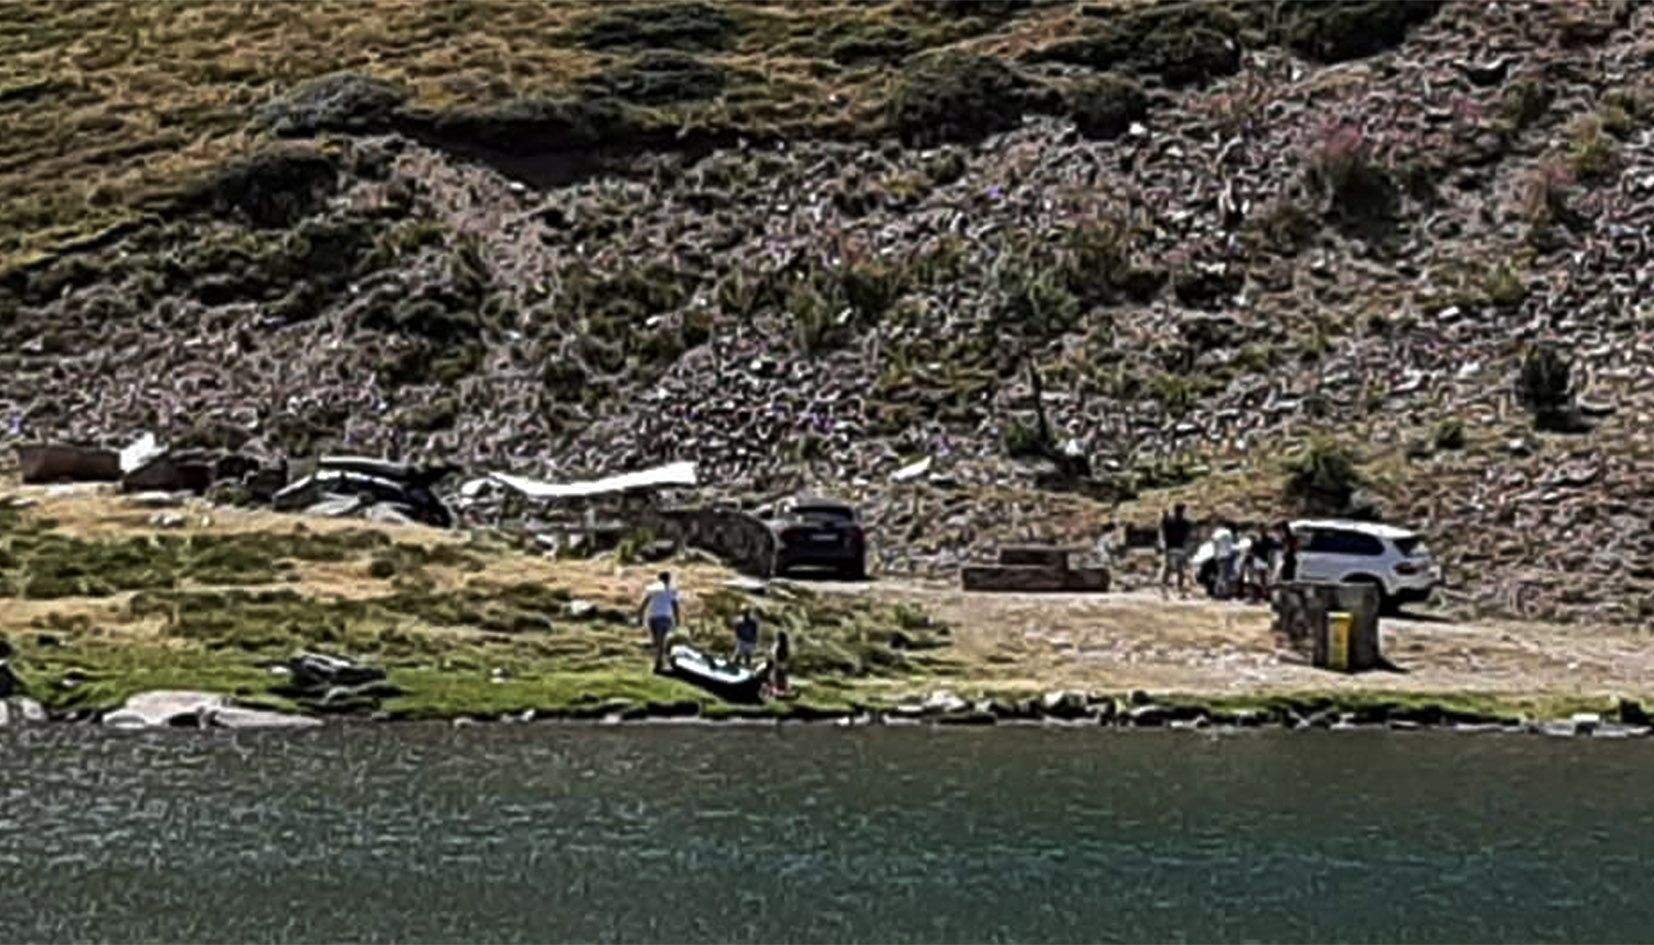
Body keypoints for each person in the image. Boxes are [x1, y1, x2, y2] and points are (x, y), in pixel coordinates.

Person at [637, 571, 681, 673]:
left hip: (653, 618)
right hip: (664, 618)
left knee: (658, 642)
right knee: (660, 642)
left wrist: (640, 615)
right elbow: (675, 606)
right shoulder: (671, 591)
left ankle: (658, 664)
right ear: (669, 580)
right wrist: (677, 619)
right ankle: (659, 663)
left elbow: (644, 603)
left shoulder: (654, 590)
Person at [1159, 504, 1193, 598]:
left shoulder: (1170, 521)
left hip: (1171, 548)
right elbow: (1189, 529)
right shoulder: (1185, 523)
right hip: (1180, 549)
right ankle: (1180, 590)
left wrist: (1165, 515)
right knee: (1180, 570)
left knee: (1169, 569)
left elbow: (1164, 526)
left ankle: (1164, 588)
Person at [1246, 527, 1279, 602]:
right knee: (1262, 579)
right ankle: (1264, 595)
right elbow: (1274, 548)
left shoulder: (1259, 540)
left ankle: (1260, 595)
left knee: (1259, 579)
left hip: (1260, 560)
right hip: (1263, 560)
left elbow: (1252, 551)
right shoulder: (1267, 540)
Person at [1210, 522, 1236, 599]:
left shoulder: (1217, 533)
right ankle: (1224, 593)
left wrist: (1215, 554)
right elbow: (1230, 545)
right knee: (1225, 575)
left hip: (1220, 556)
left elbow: (1214, 543)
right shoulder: (1228, 533)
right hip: (1227, 556)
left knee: (1221, 574)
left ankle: (1219, 592)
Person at [766, 630, 792, 697]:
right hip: (784, 664)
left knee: (775, 678)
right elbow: (788, 655)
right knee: (783, 678)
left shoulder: (777, 645)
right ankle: (784, 691)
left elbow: (773, 654)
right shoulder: (786, 645)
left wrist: (772, 660)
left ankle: (775, 692)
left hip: (778, 663)